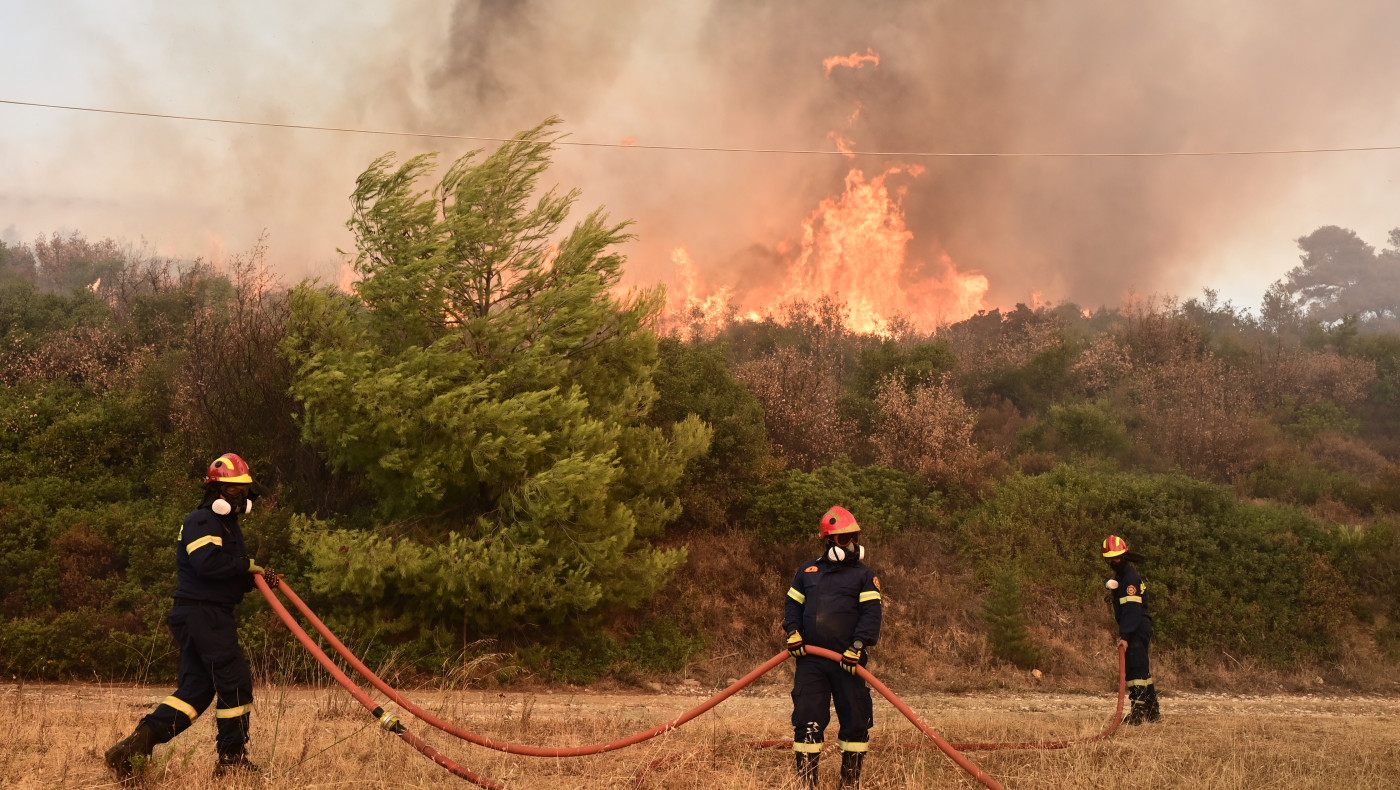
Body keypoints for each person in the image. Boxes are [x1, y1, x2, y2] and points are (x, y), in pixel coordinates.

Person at [105, 453, 269, 780]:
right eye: (236, 490)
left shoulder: (226, 525)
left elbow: (223, 572)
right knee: (235, 682)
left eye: (244, 491)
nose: (242, 498)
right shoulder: (203, 520)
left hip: (202, 613)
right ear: (217, 491)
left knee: (197, 690)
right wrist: (243, 567)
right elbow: (207, 564)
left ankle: (133, 749)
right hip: (204, 614)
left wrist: (252, 578)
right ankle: (232, 760)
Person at [783, 506, 883, 790]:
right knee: (808, 720)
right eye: (843, 539)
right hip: (811, 661)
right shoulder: (807, 571)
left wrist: (858, 645)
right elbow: (793, 605)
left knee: (856, 721)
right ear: (828, 542)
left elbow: (871, 615)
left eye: (854, 537)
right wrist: (792, 631)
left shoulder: (864, 576)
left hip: (849, 661)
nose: (851, 545)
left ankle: (849, 783)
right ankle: (808, 784)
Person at [1102, 534, 1161, 724]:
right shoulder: (1123, 576)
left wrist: (1125, 636)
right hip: (1136, 626)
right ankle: (1153, 712)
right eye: (1110, 559)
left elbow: (1132, 610)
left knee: (1135, 670)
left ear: (1124, 556)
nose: (1113, 562)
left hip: (1136, 626)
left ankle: (1138, 712)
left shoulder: (1130, 579)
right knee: (1142, 669)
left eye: (1116, 558)